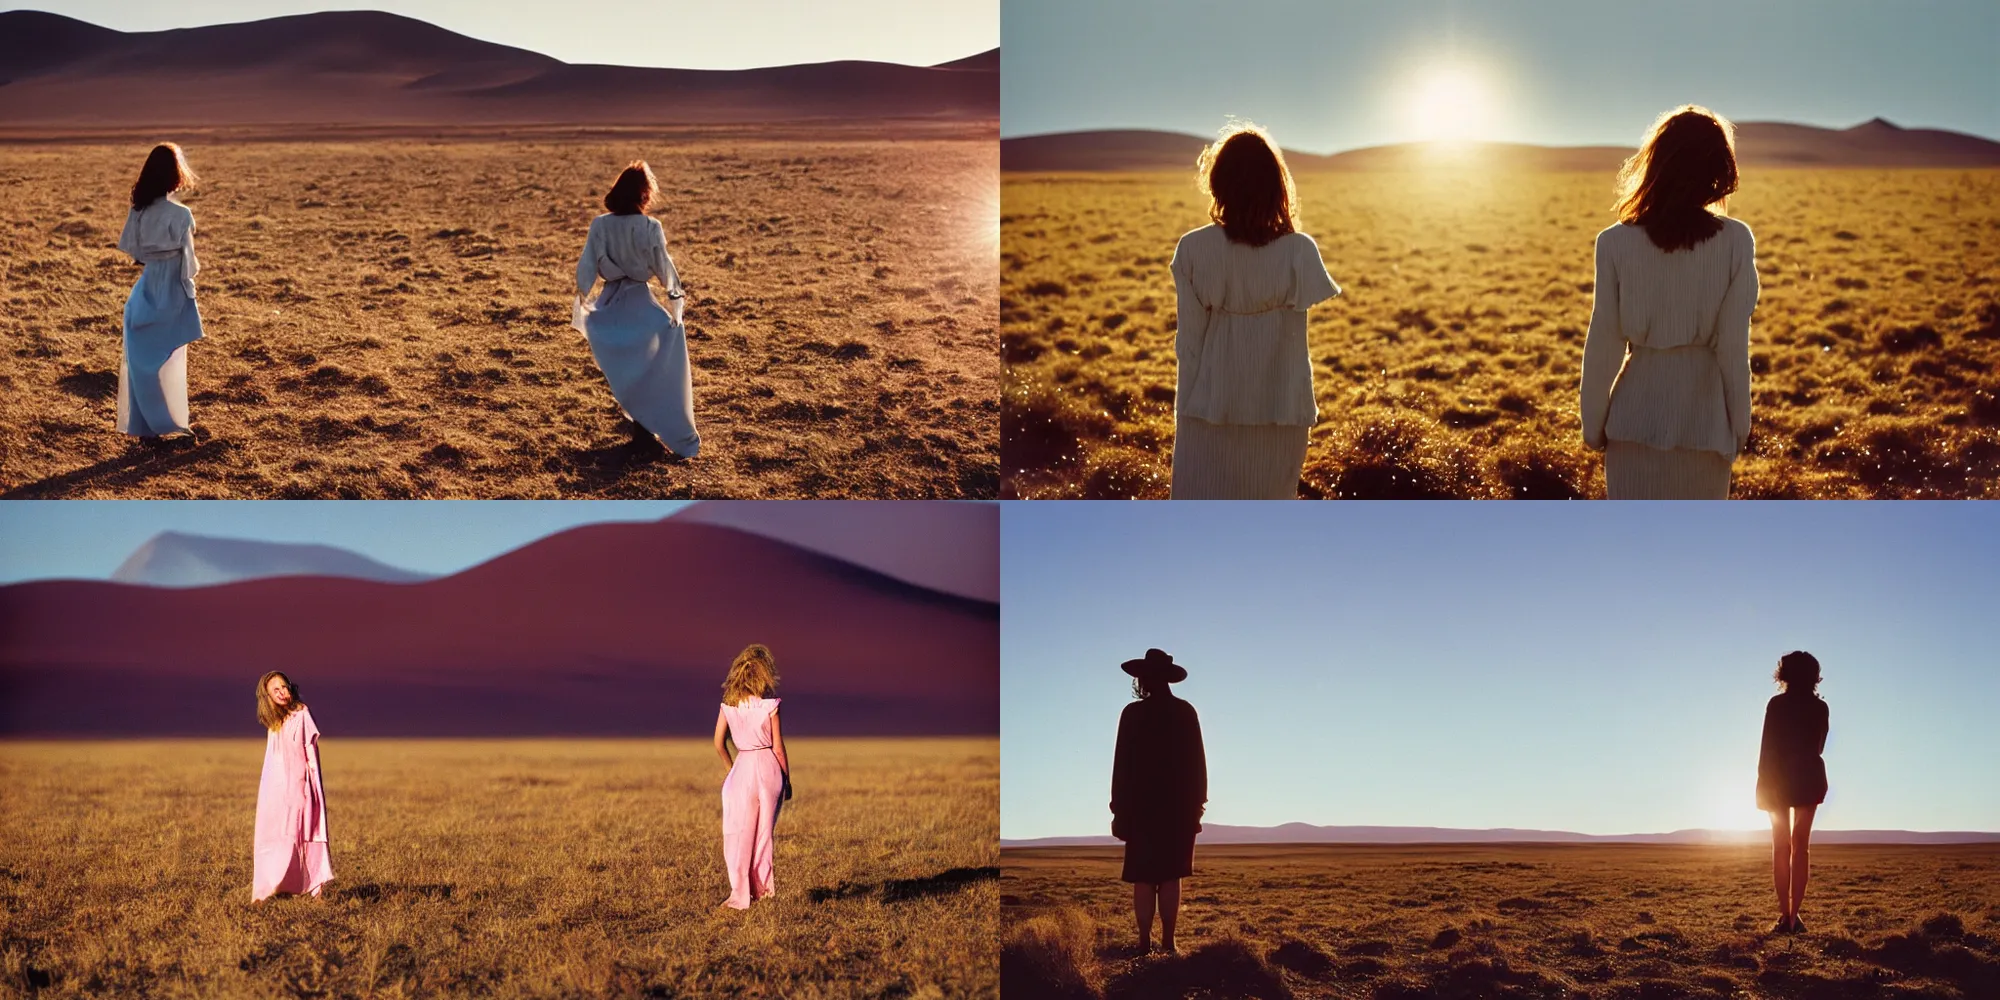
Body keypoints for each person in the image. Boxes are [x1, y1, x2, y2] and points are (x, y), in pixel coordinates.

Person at [1580, 105, 1759, 498]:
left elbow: (1604, 342)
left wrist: (1592, 422)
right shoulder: (1735, 242)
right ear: (1718, 168)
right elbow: (1733, 348)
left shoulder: (1614, 242)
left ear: (1656, 163)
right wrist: (1740, 423)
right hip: (1707, 426)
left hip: (1632, 423)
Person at [1169, 123, 1341, 498]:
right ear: (1276, 185)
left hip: (1211, 409)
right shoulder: (1300, 252)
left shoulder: (1194, 250)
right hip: (1281, 411)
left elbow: (1190, 345)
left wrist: (1186, 417)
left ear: (1218, 184)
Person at [573, 160, 700, 458]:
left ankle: (642, 433)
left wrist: (582, 301)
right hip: (641, 306)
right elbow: (664, 268)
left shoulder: (600, 225)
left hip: (609, 308)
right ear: (644, 195)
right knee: (656, 366)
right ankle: (649, 432)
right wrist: (675, 306)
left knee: (627, 370)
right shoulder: (649, 227)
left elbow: (587, 267)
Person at [1110, 648, 1207, 954]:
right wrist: (1197, 804)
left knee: (1143, 876)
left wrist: (1118, 808)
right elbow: (1197, 763)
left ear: (1144, 679)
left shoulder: (1132, 714)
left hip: (1140, 810)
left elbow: (1121, 765)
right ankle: (1168, 941)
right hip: (1177, 809)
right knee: (1170, 875)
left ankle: (1143, 941)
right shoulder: (1185, 712)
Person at [117, 142, 205, 441]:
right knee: (170, 363)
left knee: (140, 365)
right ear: (175, 175)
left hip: (143, 294)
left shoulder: (138, 212)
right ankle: (168, 424)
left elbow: (134, 252)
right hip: (171, 292)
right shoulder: (181, 215)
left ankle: (146, 428)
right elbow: (189, 265)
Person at [1756, 651, 1829, 934]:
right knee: (1801, 847)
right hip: (1808, 777)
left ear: (1783, 674)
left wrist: (1764, 783)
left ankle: (1785, 916)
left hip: (1777, 779)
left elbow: (1767, 746)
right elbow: (1819, 746)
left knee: (1781, 847)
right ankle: (1794, 915)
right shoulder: (1820, 708)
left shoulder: (1776, 705)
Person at [713, 644, 789, 909]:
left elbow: (718, 743)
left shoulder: (728, 707)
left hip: (742, 767)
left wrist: (730, 769)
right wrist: (787, 780)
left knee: (739, 832)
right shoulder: (770, 706)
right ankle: (764, 889)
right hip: (768, 768)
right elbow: (778, 748)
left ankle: (741, 891)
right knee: (764, 833)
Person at [252, 671, 333, 902]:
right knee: (275, 835)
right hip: (277, 789)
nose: (282, 692)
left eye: (284, 686)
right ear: (267, 697)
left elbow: (310, 754)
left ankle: (315, 889)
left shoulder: (301, 713)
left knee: (306, 831)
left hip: (301, 785)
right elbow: (273, 761)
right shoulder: (275, 723)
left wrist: (309, 787)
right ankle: (272, 888)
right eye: (275, 690)